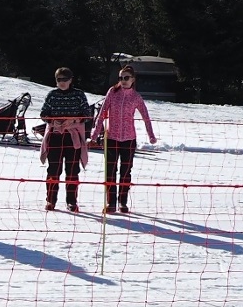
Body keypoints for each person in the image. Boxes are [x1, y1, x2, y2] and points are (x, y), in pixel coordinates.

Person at [91, 65, 158, 214]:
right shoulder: (112, 92)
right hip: (112, 138)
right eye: (121, 78)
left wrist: (151, 135)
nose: (123, 81)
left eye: (126, 78)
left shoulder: (136, 97)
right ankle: (111, 203)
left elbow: (146, 117)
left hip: (129, 139)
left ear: (133, 79)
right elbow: (102, 114)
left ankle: (123, 202)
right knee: (110, 172)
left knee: (126, 172)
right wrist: (95, 134)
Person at [38, 67, 91, 212]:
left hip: (72, 136)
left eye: (64, 79)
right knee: (53, 169)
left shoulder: (78, 95)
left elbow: (87, 114)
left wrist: (73, 120)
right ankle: (51, 200)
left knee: (72, 170)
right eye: (58, 79)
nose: (61, 82)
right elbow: (43, 114)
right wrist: (52, 121)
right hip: (55, 136)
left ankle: (72, 202)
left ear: (70, 80)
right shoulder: (52, 95)